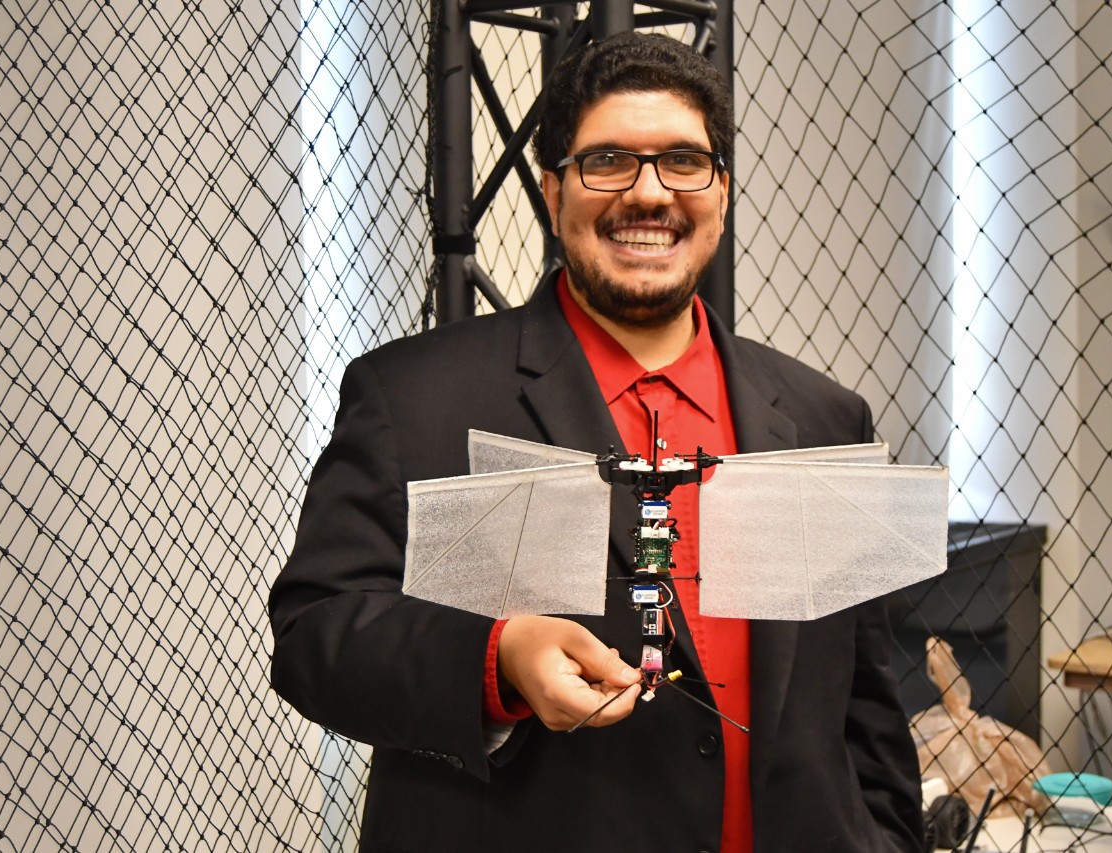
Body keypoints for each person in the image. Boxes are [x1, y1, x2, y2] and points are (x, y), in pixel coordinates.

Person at [270, 31, 926, 853]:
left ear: (720, 193)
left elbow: (865, 702)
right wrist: (496, 657)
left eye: (684, 162)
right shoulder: (416, 399)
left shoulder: (824, 419)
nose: (649, 193)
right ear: (553, 193)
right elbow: (316, 636)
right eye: (608, 161)